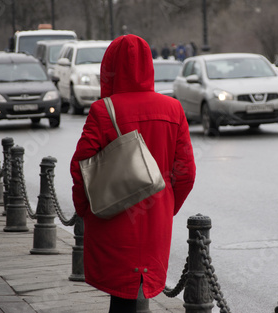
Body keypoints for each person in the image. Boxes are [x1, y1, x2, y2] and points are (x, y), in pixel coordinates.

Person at [70, 34, 196, 313]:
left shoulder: (103, 110)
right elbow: (186, 173)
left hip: (113, 217)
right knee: (141, 288)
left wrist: (84, 208)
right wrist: (166, 206)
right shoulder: (173, 108)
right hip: (155, 220)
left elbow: (80, 166)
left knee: (121, 299)